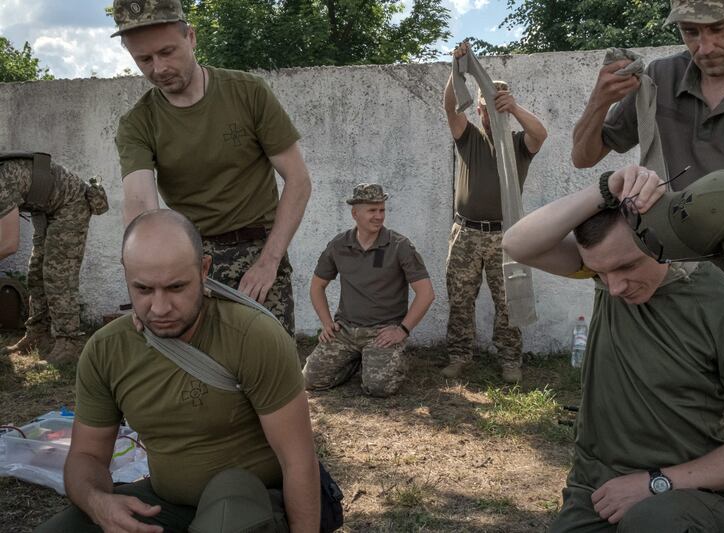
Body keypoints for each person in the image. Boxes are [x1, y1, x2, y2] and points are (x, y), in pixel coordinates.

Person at [570, 0, 724, 524]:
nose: (704, 47)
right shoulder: (661, 78)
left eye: (717, 28)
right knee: (666, 426)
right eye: (691, 32)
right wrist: (597, 101)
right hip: (659, 283)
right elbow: (585, 156)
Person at [503, 165, 724, 532]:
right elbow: (517, 244)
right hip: (597, 488)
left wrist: (656, 482)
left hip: (688, 496)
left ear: (662, 241)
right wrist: (605, 188)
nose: (614, 288)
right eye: (599, 273)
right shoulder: (609, 276)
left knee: (653, 519)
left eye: (626, 267)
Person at [36, 209, 319, 532]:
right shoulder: (105, 351)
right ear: (126, 275)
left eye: (175, 288)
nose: (159, 308)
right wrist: (98, 503)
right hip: (167, 504)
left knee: (230, 499)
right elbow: (86, 456)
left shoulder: (253, 337)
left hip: (252, 505)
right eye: (143, 289)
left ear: (204, 270)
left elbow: (298, 461)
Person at [111, 0, 312, 335]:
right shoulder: (137, 123)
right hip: (187, 260)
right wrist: (143, 287)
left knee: (272, 370)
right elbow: (141, 205)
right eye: (144, 59)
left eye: (167, 52)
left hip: (258, 249)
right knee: (196, 372)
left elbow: (298, 180)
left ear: (191, 37)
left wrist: (269, 262)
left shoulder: (248, 93)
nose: (158, 68)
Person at [441, 41, 548, 383]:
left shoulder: (519, 144)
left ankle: (510, 361)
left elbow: (541, 134)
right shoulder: (470, 137)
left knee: (508, 303)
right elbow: (450, 110)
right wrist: (455, 70)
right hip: (466, 233)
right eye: (488, 109)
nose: (492, 115)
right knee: (460, 298)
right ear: (481, 111)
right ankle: (459, 356)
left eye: (498, 109)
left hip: (506, 233)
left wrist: (514, 109)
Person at [303, 184, 434, 397]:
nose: (379, 216)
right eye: (372, 211)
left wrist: (402, 330)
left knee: (378, 388)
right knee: (310, 380)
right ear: (355, 213)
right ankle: (357, 360)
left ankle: (391, 359)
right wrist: (327, 322)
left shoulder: (399, 245)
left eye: (382, 210)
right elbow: (317, 286)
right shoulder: (339, 245)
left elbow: (426, 293)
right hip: (345, 331)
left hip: (382, 332)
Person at [0, 154, 98, 363]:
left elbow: (9, 243)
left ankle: (69, 344)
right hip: (46, 210)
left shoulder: (2, 180)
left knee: (58, 275)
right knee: (36, 274)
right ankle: (37, 335)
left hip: (70, 204)